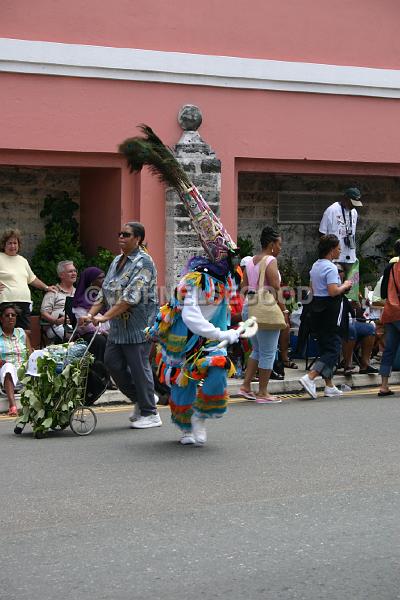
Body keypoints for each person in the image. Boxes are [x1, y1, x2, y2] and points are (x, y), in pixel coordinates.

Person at [81, 222, 162, 429]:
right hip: (118, 325)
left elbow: (130, 297)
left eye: (126, 235)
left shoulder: (144, 262)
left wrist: (104, 318)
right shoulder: (117, 260)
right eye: (120, 234)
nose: (121, 237)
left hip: (139, 325)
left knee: (138, 367)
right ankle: (142, 399)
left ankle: (150, 413)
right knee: (112, 363)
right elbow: (105, 291)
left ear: (138, 239)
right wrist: (90, 315)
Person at [299, 234, 353, 398]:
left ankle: (329, 385)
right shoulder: (330, 268)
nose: (340, 250)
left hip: (317, 308)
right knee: (333, 349)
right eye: (338, 248)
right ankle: (310, 377)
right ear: (331, 250)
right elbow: (333, 291)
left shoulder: (315, 266)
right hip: (330, 309)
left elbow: (311, 289)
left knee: (325, 347)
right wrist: (345, 285)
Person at [239, 226, 287, 404]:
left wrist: (252, 301)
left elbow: (243, 285)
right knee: (268, 352)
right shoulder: (270, 260)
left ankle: (245, 386)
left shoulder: (250, 261)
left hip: (249, 308)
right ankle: (263, 392)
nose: (280, 248)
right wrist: (284, 310)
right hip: (264, 309)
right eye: (279, 244)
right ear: (271, 244)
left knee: (257, 350)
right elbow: (276, 287)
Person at [0, 228, 57, 330]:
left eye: (15, 243)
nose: (13, 246)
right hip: (5, 302)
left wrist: (46, 287)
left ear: (19, 245)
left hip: (24, 302)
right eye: (9, 243)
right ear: (4, 244)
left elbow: (32, 279)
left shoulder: (23, 261)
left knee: (25, 333)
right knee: (5, 333)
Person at [338, 266, 378, 376]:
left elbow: (359, 314)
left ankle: (365, 364)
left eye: (341, 271)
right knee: (350, 329)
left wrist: (358, 306)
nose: (339, 273)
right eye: (337, 271)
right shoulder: (331, 287)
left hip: (351, 321)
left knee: (370, 328)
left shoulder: (349, 287)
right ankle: (347, 364)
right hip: (336, 323)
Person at [319, 187, 362, 270]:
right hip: (335, 258)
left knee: (351, 282)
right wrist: (326, 255)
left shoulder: (354, 212)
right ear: (345, 199)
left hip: (351, 257)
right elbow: (322, 233)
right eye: (352, 203)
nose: (354, 206)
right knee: (337, 282)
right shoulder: (332, 210)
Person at [0, 303, 32, 415]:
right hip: (5, 371)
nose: (10, 317)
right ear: (1, 318)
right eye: (7, 315)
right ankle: (12, 406)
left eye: (13, 315)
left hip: (24, 370)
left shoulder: (21, 333)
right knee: (8, 367)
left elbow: (30, 354)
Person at [72, 267, 109, 362]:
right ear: (91, 282)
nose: (104, 280)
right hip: (89, 334)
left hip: (108, 332)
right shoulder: (81, 301)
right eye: (100, 278)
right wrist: (104, 332)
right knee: (100, 340)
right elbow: (85, 327)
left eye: (104, 277)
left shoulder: (105, 297)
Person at [377, 255, 400, 396]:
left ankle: (384, 386)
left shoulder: (390, 267)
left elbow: (383, 292)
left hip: (391, 312)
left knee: (389, 349)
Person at [40, 260, 77, 341]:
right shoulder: (53, 292)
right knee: (71, 333)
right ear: (61, 275)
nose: (74, 273)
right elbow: (43, 313)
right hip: (57, 326)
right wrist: (56, 321)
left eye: (75, 271)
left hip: (77, 325)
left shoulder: (78, 292)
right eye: (70, 271)